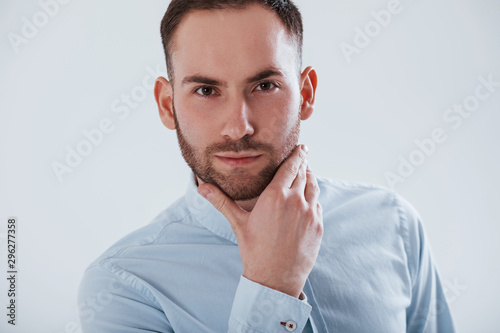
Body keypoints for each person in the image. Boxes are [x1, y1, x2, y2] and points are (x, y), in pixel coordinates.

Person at [78, 0, 456, 332]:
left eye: (264, 86)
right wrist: (271, 288)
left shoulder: (394, 224)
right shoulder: (122, 287)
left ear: (305, 94)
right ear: (166, 105)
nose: (238, 127)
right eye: (206, 91)